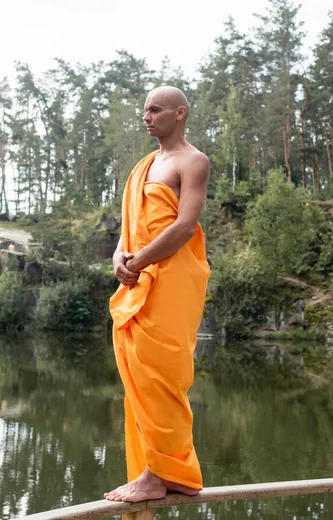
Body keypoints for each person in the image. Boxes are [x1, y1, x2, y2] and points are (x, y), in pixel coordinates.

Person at [105, 86, 210, 504]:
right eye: (144, 109)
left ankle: (165, 472)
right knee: (140, 377)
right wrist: (119, 257)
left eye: (155, 110)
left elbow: (185, 226)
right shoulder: (143, 166)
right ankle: (163, 470)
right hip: (139, 279)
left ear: (179, 114)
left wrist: (139, 261)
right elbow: (129, 226)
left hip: (171, 282)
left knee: (163, 375)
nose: (146, 116)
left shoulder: (193, 161)